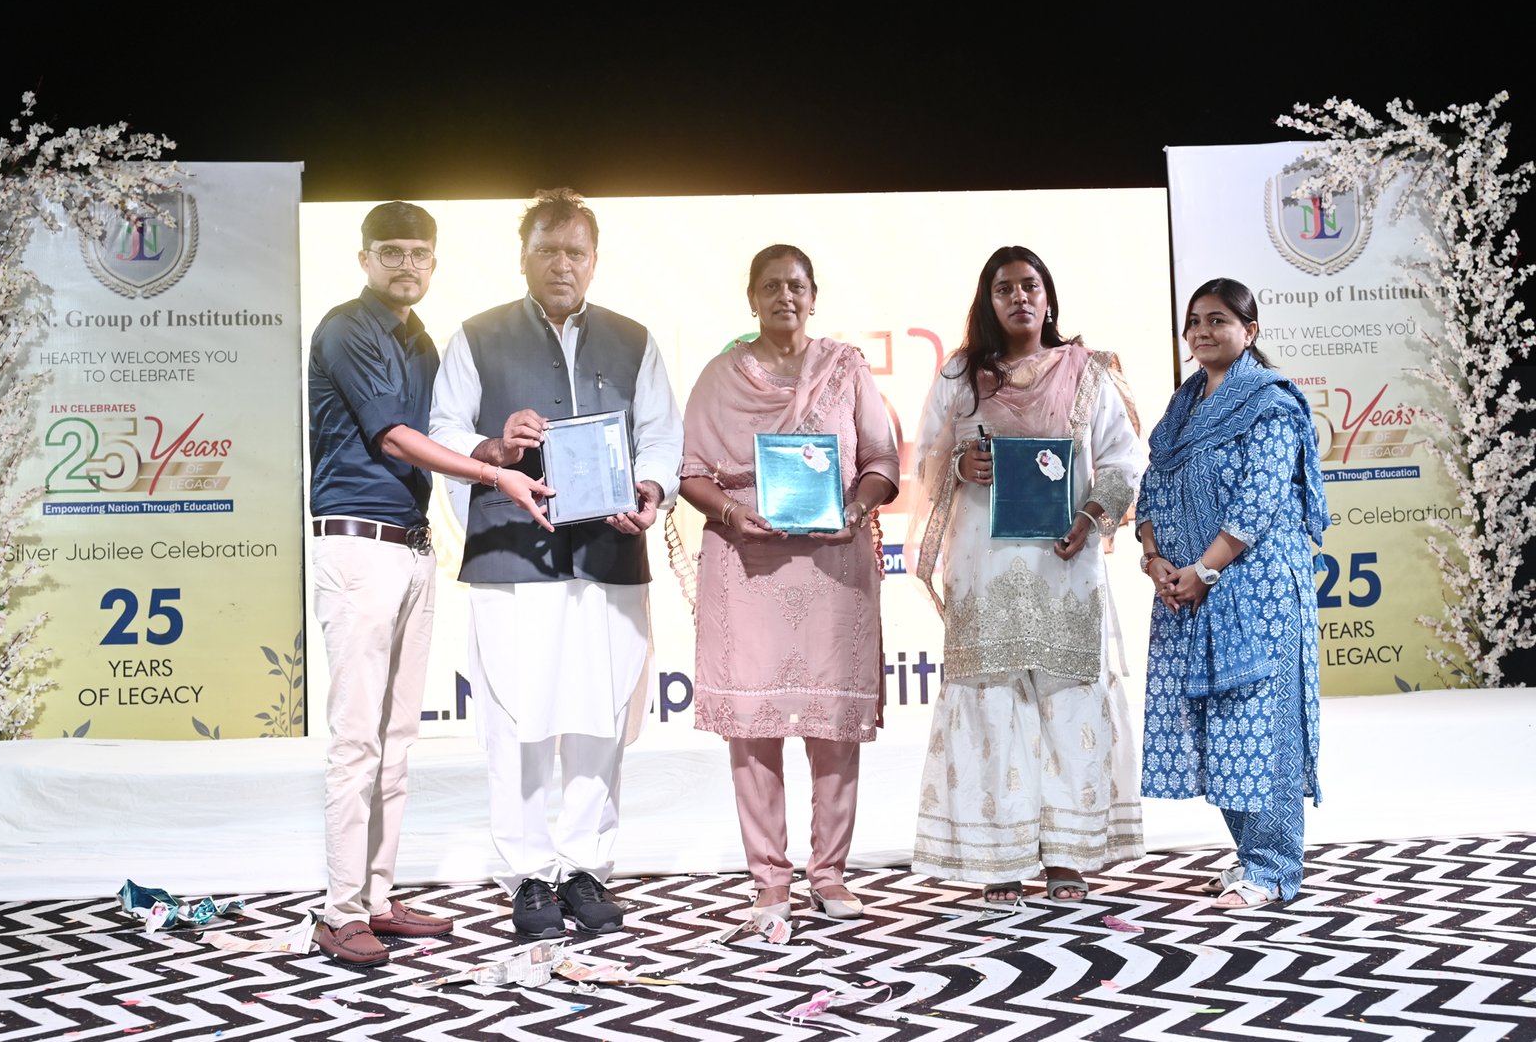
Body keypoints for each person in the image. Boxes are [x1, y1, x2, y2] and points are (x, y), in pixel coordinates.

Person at [429, 188, 684, 939]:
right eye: (547, 250)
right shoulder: (476, 337)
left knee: (601, 718)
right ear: (523, 257)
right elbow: (442, 432)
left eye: (575, 251)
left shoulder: (634, 340)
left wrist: (651, 489)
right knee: (518, 720)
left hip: (609, 554)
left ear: (595, 260)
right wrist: (493, 446)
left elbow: (661, 437)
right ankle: (530, 877)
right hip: (515, 557)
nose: (562, 264)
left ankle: (585, 867)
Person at [307, 201, 553, 967]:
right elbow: (394, 438)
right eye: (391, 251)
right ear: (364, 258)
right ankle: (339, 910)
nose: (406, 264)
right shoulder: (346, 327)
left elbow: (440, 436)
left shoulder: (419, 339)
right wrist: (494, 475)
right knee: (357, 739)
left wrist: (495, 448)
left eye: (419, 252)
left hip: (412, 547)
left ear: (434, 263)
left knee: (397, 740)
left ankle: (377, 898)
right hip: (358, 544)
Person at [907, 245, 1145, 905]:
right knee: (991, 704)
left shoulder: (1087, 370)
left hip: (1065, 562)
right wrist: (960, 466)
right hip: (984, 567)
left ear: (1048, 297)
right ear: (988, 300)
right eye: (1005, 287)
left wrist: (1093, 515)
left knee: (1067, 700)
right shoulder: (961, 374)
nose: (1019, 297)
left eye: (1030, 286)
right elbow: (924, 459)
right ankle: (1000, 857)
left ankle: (1067, 857)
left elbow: (1125, 458)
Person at [677, 244, 900, 935]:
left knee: (834, 727)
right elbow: (691, 470)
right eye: (771, 286)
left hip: (833, 563)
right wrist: (730, 512)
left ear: (813, 296)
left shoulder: (845, 368)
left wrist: (857, 509)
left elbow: (881, 459)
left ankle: (829, 873)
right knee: (754, 728)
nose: (785, 296)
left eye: (797, 285)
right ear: (752, 297)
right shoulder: (721, 375)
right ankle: (770, 879)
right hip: (748, 561)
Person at [1137, 277, 1329, 910]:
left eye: (1217, 319)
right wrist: (1156, 560)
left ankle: (1275, 869)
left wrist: (1205, 570)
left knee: (1262, 726)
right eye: (1194, 320)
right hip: (1189, 591)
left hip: (1256, 590)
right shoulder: (1183, 405)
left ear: (1250, 330)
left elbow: (1259, 499)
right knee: (1219, 728)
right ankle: (1250, 856)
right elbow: (1152, 488)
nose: (1202, 331)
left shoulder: (1271, 403)